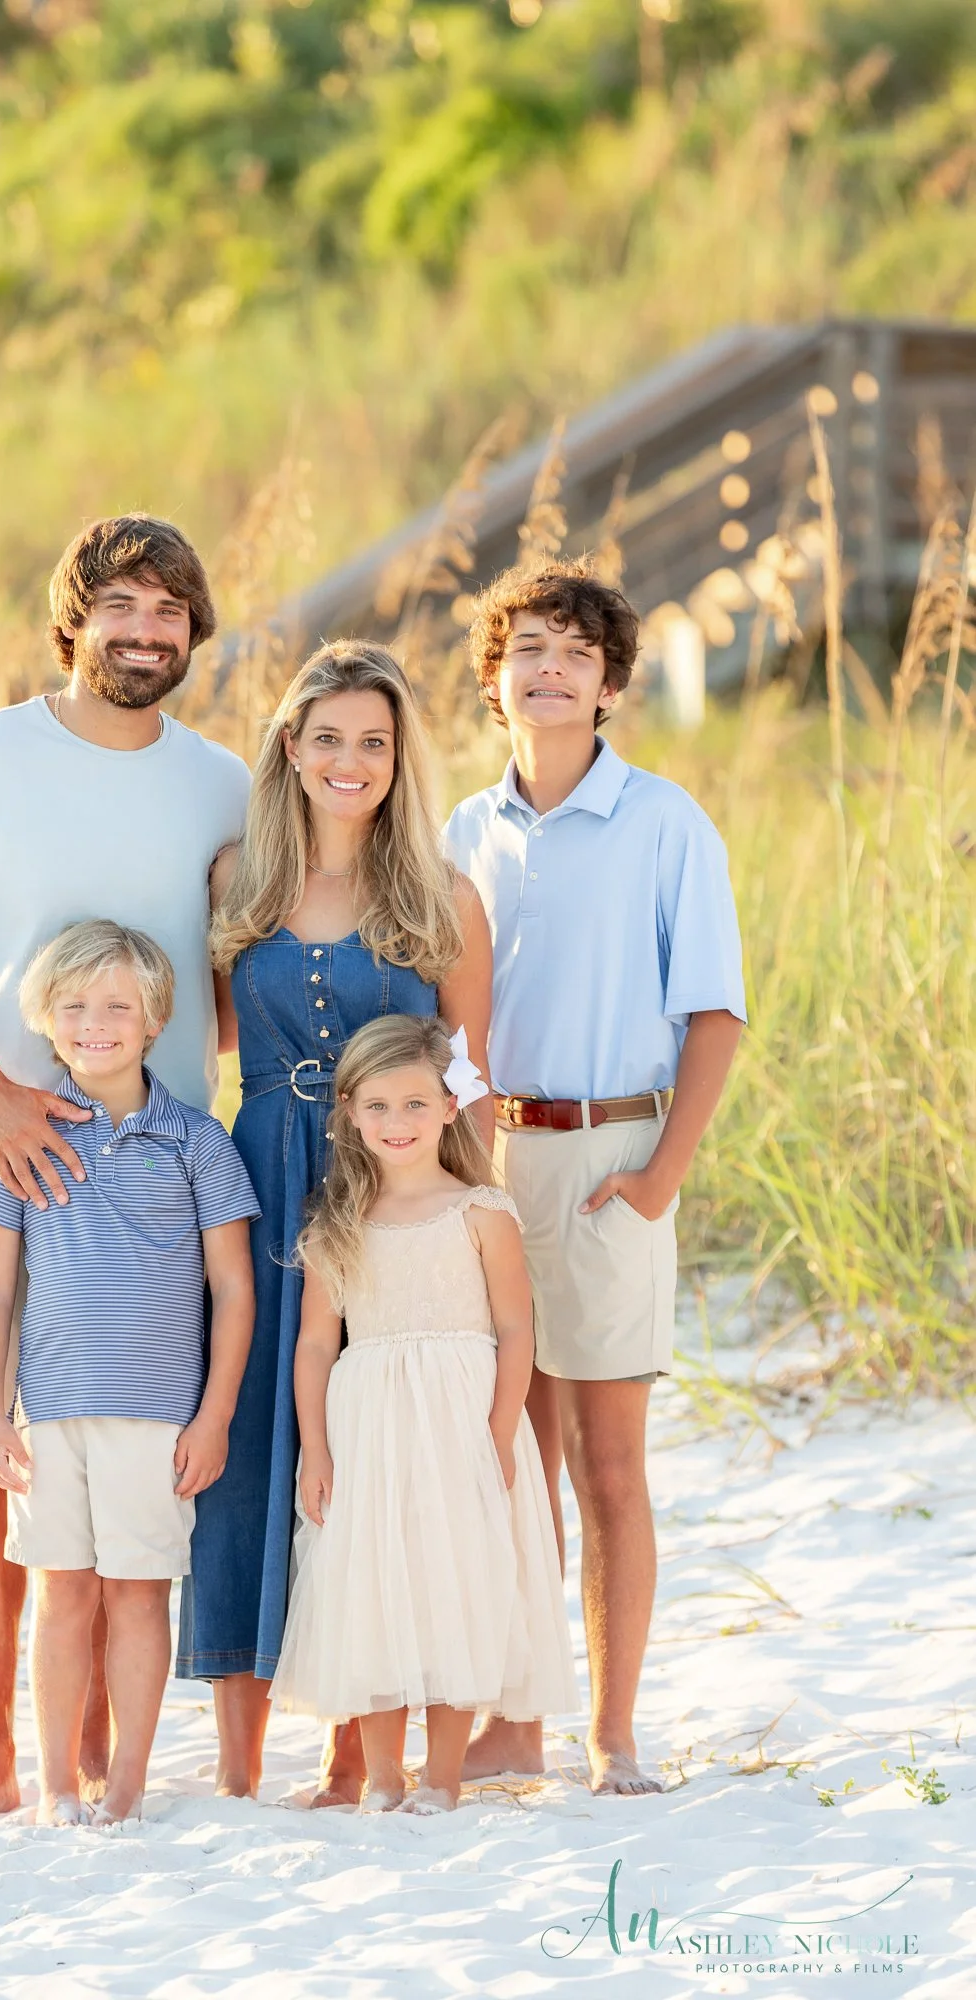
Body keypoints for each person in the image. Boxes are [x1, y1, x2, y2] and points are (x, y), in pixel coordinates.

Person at [0, 515, 249, 1821]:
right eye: (120, 611)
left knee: (117, 1463)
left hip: (156, 1191)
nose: (144, 636)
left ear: (194, 632)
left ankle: (85, 1757)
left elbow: (229, 974)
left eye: (169, 615)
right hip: (4, 1169)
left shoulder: (223, 784)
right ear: (71, 621)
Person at [443, 556, 746, 1796]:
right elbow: (453, 1018)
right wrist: (462, 1165)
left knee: (608, 1463)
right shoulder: (465, 827)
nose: (551, 667)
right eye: (528, 648)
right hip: (494, 1157)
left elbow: (713, 1015)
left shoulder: (664, 821)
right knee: (516, 1457)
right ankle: (519, 1721)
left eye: (575, 649)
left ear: (610, 680)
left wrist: (661, 1175)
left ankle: (612, 1730)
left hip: (616, 1156)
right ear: (495, 679)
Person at [179, 641, 495, 1805]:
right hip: (259, 1178)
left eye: (372, 739)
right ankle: (235, 1761)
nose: (348, 760)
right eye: (326, 738)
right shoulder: (235, 882)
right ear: (289, 748)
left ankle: (354, 1751)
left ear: (398, 753)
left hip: (392, 1194)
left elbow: (472, 1083)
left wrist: (464, 1238)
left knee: (370, 1454)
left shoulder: (440, 896)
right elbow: (190, 1036)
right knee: (253, 1443)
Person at [0, 920, 258, 1824]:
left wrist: (212, 1420)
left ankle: (126, 1782)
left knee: (136, 1598)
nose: (98, 1024)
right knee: (60, 1595)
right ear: (47, 1023)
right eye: (76, 1007)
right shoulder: (19, 1140)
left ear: (156, 1018)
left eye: (119, 1006)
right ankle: (56, 1784)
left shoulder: (197, 1142)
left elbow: (235, 1292)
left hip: (159, 1420)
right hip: (49, 1414)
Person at [270, 1014, 575, 1811]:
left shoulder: (482, 1211)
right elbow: (312, 1348)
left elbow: (516, 1330)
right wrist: (317, 1450)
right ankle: (381, 1779)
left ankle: (440, 1779)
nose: (396, 1123)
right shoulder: (337, 1224)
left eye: (414, 1104)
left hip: (460, 1419)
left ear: (449, 1107)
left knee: (456, 1583)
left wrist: (501, 1433)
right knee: (373, 1584)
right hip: (368, 1423)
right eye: (377, 1107)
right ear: (348, 1115)